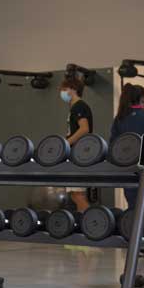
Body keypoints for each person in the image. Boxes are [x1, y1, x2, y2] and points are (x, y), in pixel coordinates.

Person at [110, 83, 144, 208]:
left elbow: (113, 146)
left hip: (129, 171)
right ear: (143, 99)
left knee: (134, 208)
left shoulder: (119, 119)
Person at [60, 76, 93, 212]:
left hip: (80, 154)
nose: (62, 92)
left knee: (78, 194)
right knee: (75, 194)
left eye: (64, 89)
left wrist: (66, 143)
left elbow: (85, 129)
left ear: (73, 89)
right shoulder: (73, 107)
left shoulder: (79, 106)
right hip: (75, 153)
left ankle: (90, 221)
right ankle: (84, 221)